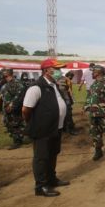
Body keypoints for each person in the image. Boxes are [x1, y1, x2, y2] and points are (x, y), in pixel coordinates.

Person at [22, 59, 70, 197]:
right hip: (42, 129)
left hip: (56, 127)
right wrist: (35, 123)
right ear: (46, 70)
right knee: (41, 157)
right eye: (56, 69)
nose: (59, 72)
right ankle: (41, 186)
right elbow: (26, 110)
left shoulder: (54, 85)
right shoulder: (36, 88)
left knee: (53, 154)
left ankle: (51, 179)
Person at [0, 68, 26, 150]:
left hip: (13, 108)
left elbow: (19, 95)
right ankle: (16, 139)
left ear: (8, 73)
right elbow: (3, 94)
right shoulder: (5, 84)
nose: (2, 75)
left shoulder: (17, 83)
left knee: (16, 124)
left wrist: (11, 105)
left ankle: (18, 140)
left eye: (3, 73)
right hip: (6, 108)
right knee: (9, 124)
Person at [58, 71, 78, 135]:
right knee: (68, 114)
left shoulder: (58, 79)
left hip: (59, 100)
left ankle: (63, 128)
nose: (72, 78)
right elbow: (70, 91)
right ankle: (70, 129)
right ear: (69, 76)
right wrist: (72, 99)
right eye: (72, 76)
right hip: (66, 99)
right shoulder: (67, 80)